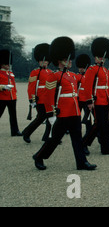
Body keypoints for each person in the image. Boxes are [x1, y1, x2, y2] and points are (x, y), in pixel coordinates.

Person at [32, 36, 96, 171]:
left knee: (77, 139)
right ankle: (39, 156)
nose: (70, 61)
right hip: (63, 113)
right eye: (67, 59)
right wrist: (50, 114)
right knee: (55, 139)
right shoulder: (53, 76)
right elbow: (48, 97)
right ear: (60, 61)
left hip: (75, 111)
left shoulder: (72, 76)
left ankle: (82, 163)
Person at [81, 37, 109, 155]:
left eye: (103, 57)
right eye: (99, 57)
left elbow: (106, 87)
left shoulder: (104, 70)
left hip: (104, 100)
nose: (101, 59)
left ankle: (106, 148)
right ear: (95, 57)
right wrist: (89, 101)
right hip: (96, 100)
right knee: (98, 124)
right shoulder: (92, 70)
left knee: (104, 125)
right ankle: (83, 144)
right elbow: (88, 86)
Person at [22, 43, 52, 143]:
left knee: (50, 117)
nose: (44, 62)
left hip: (49, 99)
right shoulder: (35, 72)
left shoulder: (50, 72)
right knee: (41, 117)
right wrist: (32, 99)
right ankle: (27, 132)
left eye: (46, 61)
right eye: (42, 61)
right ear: (39, 61)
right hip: (40, 99)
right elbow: (31, 87)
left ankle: (47, 136)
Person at [0, 49, 21, 137]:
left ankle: (15, 131)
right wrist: (4, 87)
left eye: (8, 64)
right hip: (2, 97)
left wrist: (14, 93)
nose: (8, 65)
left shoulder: (10, 73)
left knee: (13, 116)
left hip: (12, 97)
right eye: (6, 64)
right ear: (2, 64)